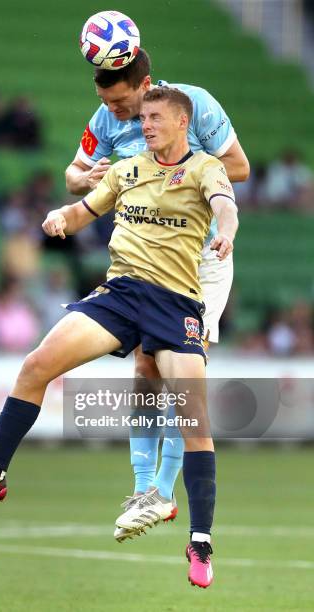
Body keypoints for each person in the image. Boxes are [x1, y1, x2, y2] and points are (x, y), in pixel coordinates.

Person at [0, 87, 239, 588]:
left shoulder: (205, 167)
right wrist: (62, 217)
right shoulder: (127, 169)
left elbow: (224, 205)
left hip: (175, 303)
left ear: (182, 124)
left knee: (194, 418)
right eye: (143, 119)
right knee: (37, 364)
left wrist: (225, 229)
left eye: (156, 119)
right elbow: (85, 209)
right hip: (120, 295)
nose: (145, 126)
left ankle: (201, 542)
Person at [65, 48, 249, 541]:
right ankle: (148, 491)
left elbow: (239, 167)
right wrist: (91, 178)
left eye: (125, 105)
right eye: (114, 106)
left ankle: (165, 493)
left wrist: (168, 171)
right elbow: (73, 176)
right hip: (148, 258)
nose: (118, 115)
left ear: (144, 87)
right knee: (145, 367)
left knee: (183, 379)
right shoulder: (108, 118)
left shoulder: (197, 106)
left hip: (201, 254)